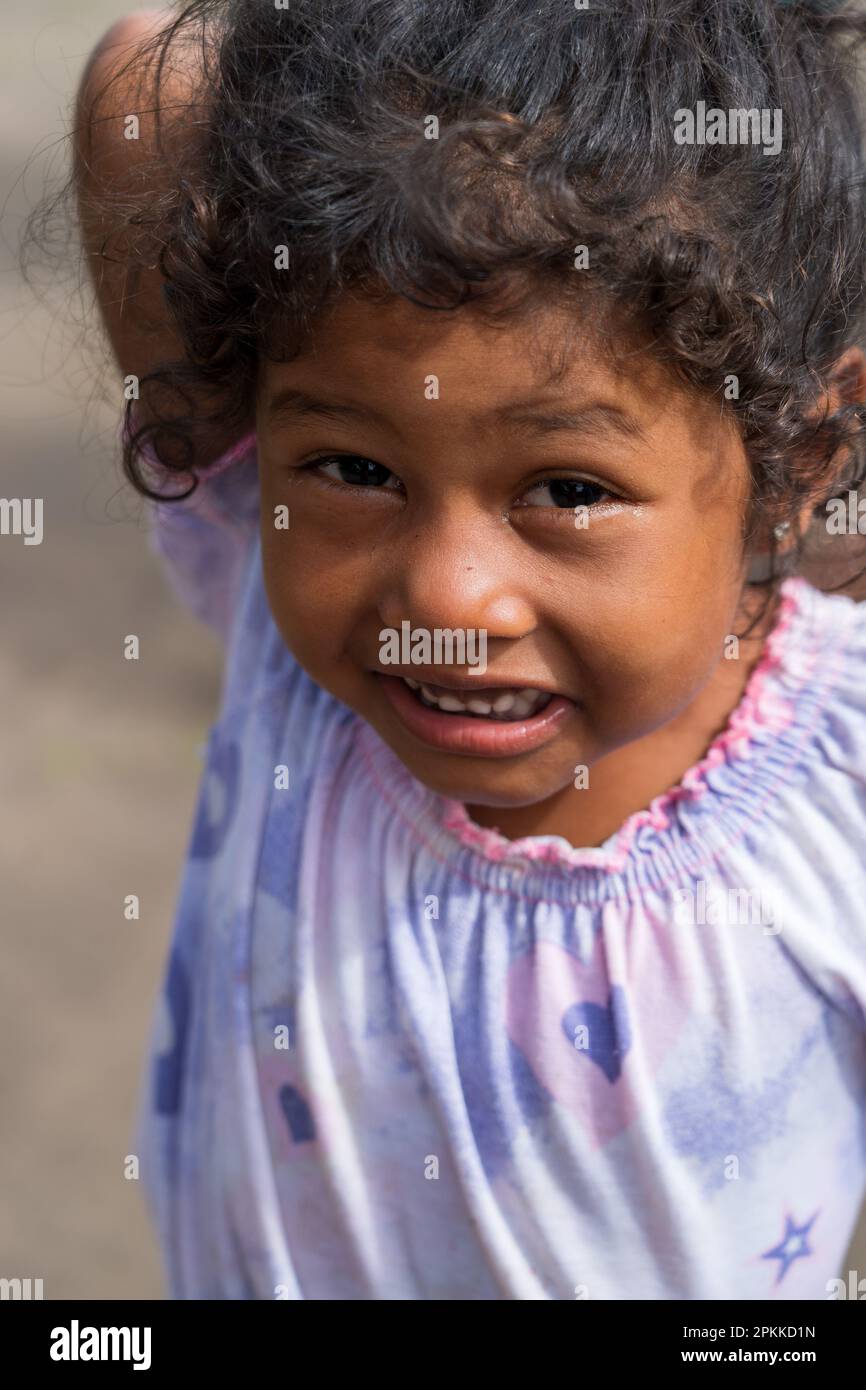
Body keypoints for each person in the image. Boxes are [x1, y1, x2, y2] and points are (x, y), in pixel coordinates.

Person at [70, 0, 866, 1298]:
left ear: (801, 463)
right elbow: (146, 85)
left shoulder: (841, 797)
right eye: (352, 467)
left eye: (565, 489)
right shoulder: (291, 640)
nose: (446, 595)